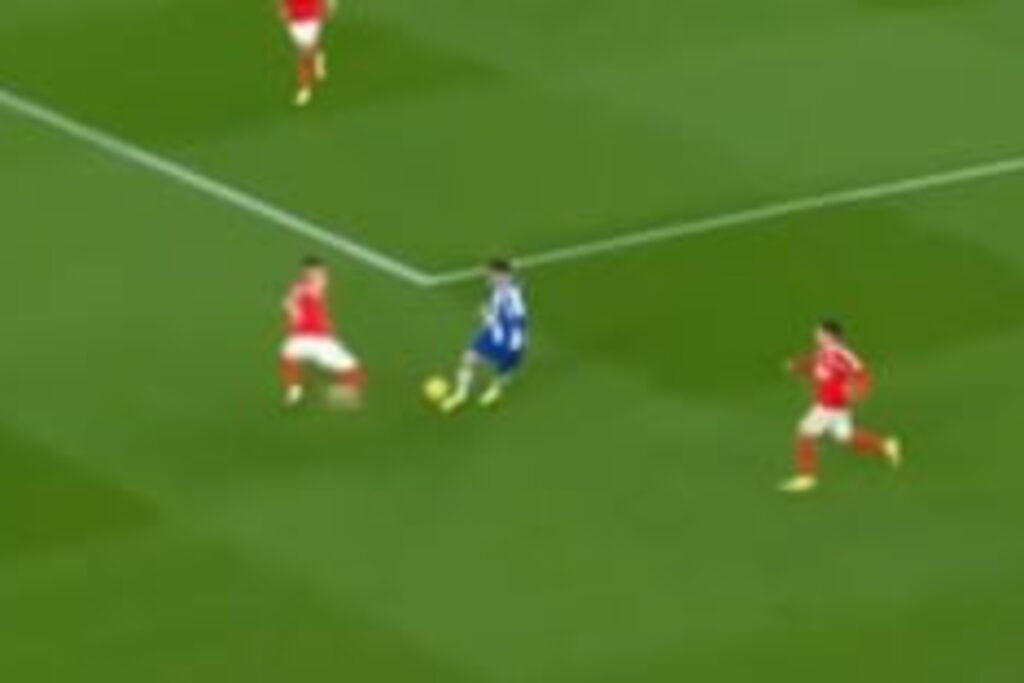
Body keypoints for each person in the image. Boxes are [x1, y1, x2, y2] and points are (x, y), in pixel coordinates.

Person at [779, 319, 902, 493]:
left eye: (820, 333)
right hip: (833, 406)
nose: (816, 335)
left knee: (804, 433)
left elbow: (861, 374)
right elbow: (813, 364)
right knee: (845, 438)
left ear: (830, 336)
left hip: (829, 406)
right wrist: (795, 367)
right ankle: (886, 445)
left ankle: (806, 477)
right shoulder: (822, 352)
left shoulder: (843, 355)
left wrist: (858, 391)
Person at [441, 259, 528, 413]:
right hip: (494, 333)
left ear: (502, 276)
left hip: (506, 339)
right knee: (468, 358)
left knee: (502, 368)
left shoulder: (511, 298)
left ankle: (494, 389)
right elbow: (517, 285)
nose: (487, 279)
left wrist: (486, 315)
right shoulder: (503, 289)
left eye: (491, 275)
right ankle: (461, 395)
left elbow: (515, 321)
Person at [279, 256, 365, 408]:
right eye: (319, 271)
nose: (324, 274)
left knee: (287, 356)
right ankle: (338, 396)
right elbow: (310, 291)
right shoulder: (313, 286)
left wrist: (294, 311)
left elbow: (287, 302)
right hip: (320, 340)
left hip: (298, 339)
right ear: (308, 272)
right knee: (355, 371)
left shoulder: (299, 287)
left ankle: (294, 389)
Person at [279, 0, 335, 106]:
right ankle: (317, 56)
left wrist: (327, 7)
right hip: (294, 18)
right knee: (307, 49)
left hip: (311, 17)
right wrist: (282, 8)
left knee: (303, 55)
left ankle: (304, 89)